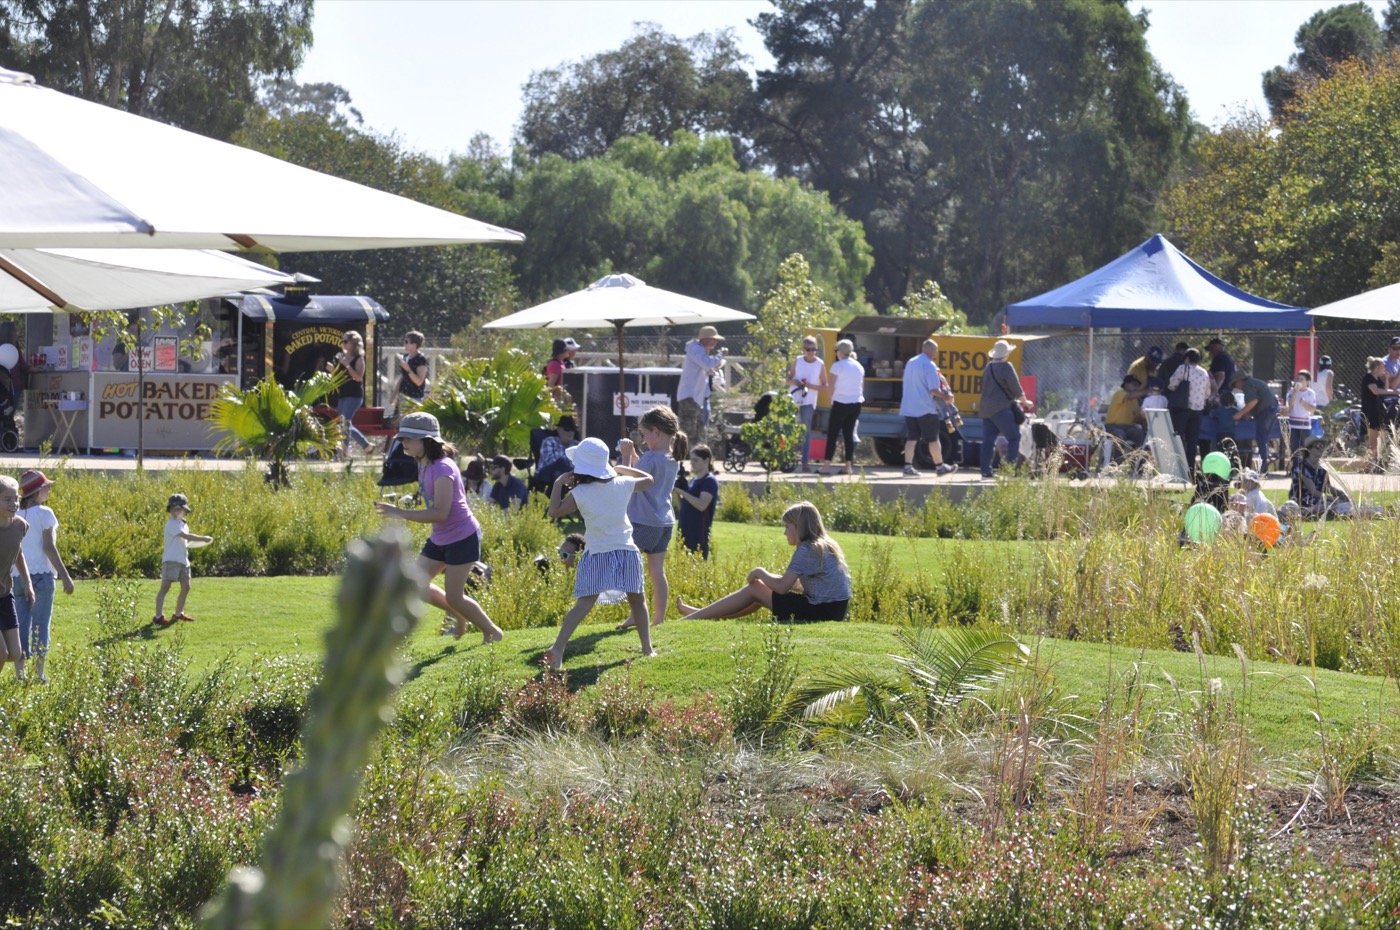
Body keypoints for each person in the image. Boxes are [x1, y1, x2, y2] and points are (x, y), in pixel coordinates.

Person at [374, 412, 504, 643]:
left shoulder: (443, 468)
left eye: (408, 439)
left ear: (426, 441)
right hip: (441, 537)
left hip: (462, 537)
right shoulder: (423, 464)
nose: (403, 443)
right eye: (402, 439)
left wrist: (399, 512)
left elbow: (440, 513)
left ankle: (492, 631)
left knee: (455, 597)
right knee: (413, 584)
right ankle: (458, 614)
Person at [543, 437, 656, 669]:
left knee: (583, 605)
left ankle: (558, 648)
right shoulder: (622, 483)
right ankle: (647, 649)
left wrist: (558, 483)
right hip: (626, 551)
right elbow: (649, 480)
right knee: (638, 601)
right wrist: (621, 468)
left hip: (597, 553)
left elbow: (553, 511)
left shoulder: (580, 492)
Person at [676, 501, 851, 622]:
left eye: (787, 528)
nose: (785, 533)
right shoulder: (823, 545)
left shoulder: (807, 549)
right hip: (833, 610)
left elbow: (782, 587)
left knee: (755, 589)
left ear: (799, 528)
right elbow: (796, 585)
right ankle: (701, 615)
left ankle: (692, 618)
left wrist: (760, 572)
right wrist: (768, 580)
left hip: (821, 611)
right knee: (759, 594)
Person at [617, 405, 686, 630]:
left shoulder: (651, 458)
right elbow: (646, 473)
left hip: (642, 521)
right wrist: (636, 456)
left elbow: (627, 483)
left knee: (632, 570)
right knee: (657, 571)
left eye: (645, 434)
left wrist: (626, 457)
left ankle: (638, 614)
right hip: (664, 522)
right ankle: (659, 618)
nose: (644, 440)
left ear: (655, 431)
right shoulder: (671, 458)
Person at [13, 470, 73, 684]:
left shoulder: (14, 514)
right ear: (37, 491)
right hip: (42, 576)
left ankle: (20, 675)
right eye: (47, 486)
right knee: (40, 625)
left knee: (20, 624)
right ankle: (40, 674)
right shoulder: (46, 513)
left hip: (17, 576)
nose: (49, 489)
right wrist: (66, 576)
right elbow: (49, 547)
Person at [152, 493, 212, 627]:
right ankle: (158, 617)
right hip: (171, 560)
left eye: (178, 509)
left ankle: (178, 614)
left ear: (185, 511)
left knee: (186, 587)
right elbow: (186, 536)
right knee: (165, 588)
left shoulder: (183, 523)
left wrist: (199, 541)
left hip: (183, 560)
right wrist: (203, 538)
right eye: (173, 509)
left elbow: (184, 541)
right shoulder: (172, 524)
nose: (175, 512)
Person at [901, 338, 957, 477]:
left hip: (909, 406)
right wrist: (946, 397)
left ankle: (908, 467)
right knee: (933, 438)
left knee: (912, 437)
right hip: (925, 407)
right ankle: (940, 467)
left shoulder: (911, 362)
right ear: (931, 350)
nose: (936, 353)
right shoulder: (929, 365)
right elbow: (933, 389)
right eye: (936, 350)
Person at [979, 339, 1030, 480]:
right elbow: (1016, 388)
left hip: (985, 409)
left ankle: (985, 470)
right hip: (1001, 408)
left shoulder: (988, 367)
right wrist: (1026, 402)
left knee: (988, 440)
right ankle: (1011, 469)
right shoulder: (1006, 366)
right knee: (1014, 437)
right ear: (1006, 354)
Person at [0, 476, 34, 681]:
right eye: (6, 499)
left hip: (5, 595)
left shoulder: (20, 525)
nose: (13, 504)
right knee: (1, 653)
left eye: (16, 499)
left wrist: (28, 582)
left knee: (15, 653)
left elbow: (18, 553)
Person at [818, 339, 864, 475]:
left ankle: (826, 465)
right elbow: (861, 387)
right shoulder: (859, 366)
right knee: (848, 434)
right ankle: (848, 465)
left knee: (832, 434)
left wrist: (831, 400)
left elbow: (830, 386)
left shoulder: (837, 366)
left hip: (840, 402)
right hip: (856, 403)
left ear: (840, 351)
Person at [1166, 347, 1212, 479]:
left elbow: (1172, 384)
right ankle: (1190, 471)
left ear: (1187, 358)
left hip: (1182, 408)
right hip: (1197, 411)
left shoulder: (1183, 368)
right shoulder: (1204, 373)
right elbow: (1207, 393)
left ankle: (1178, 469)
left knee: (1179, 437)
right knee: (1193, 441)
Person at [677, 326, 726, 442]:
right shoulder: (696, 349)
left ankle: (698, 456)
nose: (715, 342)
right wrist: (721, 355)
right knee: (687, 430)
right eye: (714, 339)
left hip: (696, 398)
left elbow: (705, 367)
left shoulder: (699, 350)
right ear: (707, 339)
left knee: (700, 431)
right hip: (689, 396)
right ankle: (681, 456)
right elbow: (708, 363)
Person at [787, 335, 829, 471]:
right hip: (794, 398)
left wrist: (810, 386)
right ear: (803, 349)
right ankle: (785, 458)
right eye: (808, 349)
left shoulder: (819, 364)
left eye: (813, 349)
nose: (811, 352)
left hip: (809, 401)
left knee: (806, 431)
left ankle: (805, 462)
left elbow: (825, 386)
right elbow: (788, 379)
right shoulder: (798, 361)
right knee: (788, 429)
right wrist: (796, 383)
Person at [329, 331, 372, 457]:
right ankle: (367, 446)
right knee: (344, 423)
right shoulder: (342, 356)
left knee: (345, 422)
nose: (343, 344)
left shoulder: (359, 359)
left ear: (353, 344)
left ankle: (343, 453)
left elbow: (358, 377)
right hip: (342, 394)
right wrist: (333, 370)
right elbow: (340, 376)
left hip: (354, 395)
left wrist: (347, 365)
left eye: (345, 341)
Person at [1230, 370, 1282, 472]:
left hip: (1267, 412)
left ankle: (1264, 470)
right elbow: (1254, 405)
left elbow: (1254, 401)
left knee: (1261, 439)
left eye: (1235, 384)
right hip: (1272, 410)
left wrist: (1239, 414)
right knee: (1263, 439)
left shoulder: (1248, 385)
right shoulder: (1254, 383)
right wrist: (1245, 415)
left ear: (1239, 381)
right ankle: (1264, 468)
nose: (1236, 387)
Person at [1289, 435, 1352, 517]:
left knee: (1340, 503)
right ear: (1309, 449)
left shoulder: (1323, 467)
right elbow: (1313, 492)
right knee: (1331, 504)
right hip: (1303, 499)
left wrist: (1341, 494)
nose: (1321, 449)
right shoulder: (1302, 467)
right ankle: (1302, 512)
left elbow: (1327, 487)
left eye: (1322, 446)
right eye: (1317, 446)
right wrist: (1332, 499)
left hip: (1318, 498)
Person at [676, 444, 719, 559]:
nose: (692, 463)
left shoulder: (709, 481)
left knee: (696, 566)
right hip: (684, 529)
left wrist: (683, 492)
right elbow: (684, 506)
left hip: (698, 532)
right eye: (691, 460)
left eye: (696, 460)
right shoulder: (694, 480)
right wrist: (676, 492)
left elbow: (701, 505)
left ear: (706, 460)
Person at [1360, 357, 1398, 469]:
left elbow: (1384, 390)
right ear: (1377, 368)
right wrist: (1395, 392)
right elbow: (1376, 391)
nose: (1385, 368)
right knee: (1373, 442)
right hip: (1370, 412)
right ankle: (1367, 466)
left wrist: (1386, 379)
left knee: (1375, 441)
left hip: (1377, 412)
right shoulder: (1368, 377)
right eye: (1383, 366)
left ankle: (1368, 465)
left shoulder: (1377, 379)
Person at [1104, 374, 1146, 460]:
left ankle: (1137, 465)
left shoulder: (1135, 400)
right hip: (1113, 427)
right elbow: (1128, 397)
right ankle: (1117, 464)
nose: (1136, 387)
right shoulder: (1119, 393)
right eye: (1134, 384)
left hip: (1129, 428)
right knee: (1120, 434)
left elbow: (1136, 418)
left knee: (1140, 433)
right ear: (1126, 385)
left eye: (1137, 385)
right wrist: (1147, 391)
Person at [390, 330, 430, 416]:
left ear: (414, 345)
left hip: (414, 398)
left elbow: (419, 381)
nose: (404, 343)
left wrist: (408, 369)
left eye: (406, 342)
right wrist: (394, 394)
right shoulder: (405, 357)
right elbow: (403, 377)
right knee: (399, 423)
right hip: (403, 395)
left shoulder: (420, 359)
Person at [1284, 369, 1320, 461]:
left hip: (1305, 425)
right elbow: (1290, 405)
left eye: (1302, 379)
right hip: (1293, 424)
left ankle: (1304, 468)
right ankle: (1295, 467)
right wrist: (1296, 392)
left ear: (1308, 382)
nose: (1299, 381)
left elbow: (1312, 410)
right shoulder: (1292, 391)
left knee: (1305, 447)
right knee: (1294, 447)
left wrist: (1304, 403)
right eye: (1298, 379)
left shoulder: (1311, 393)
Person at [535, 415, 578, 488]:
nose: (570, 432)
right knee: (561, 463)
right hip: (546, 477)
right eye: (567, 429)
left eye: (573, 430)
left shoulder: (577, 445)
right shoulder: (549, 442)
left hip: (569, 476)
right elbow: (551, 462)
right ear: (559, 430)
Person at [1205, 337, 1236, 402]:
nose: (1210, 352)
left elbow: (1220, 376)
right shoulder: (1228, 358)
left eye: (1211, 348)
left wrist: (1213, 393)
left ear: (1217, 347)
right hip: (1228, 390)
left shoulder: (1219, 358)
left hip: (1221, 392)